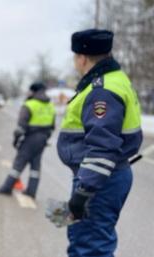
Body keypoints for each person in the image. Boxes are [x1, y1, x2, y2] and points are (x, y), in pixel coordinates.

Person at [58, 29, 142, 257]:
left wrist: (84, 190)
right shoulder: (117, 79)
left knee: (89, 247)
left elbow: (103, 147)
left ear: (82, 58)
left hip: (100, 180)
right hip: (105, 176)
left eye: (75, 57)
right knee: (89, 242)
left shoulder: (101, 90)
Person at [0, 82, 55, 198]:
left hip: (30, 139)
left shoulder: (29, 104)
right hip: (42, 140)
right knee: (35, 167)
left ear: (33, 91)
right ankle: (31, 191)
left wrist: (16, 140)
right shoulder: (50, 106)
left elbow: (21, 127)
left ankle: (7, 188)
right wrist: (45, 138)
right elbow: (52, 127)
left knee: (19, 164)